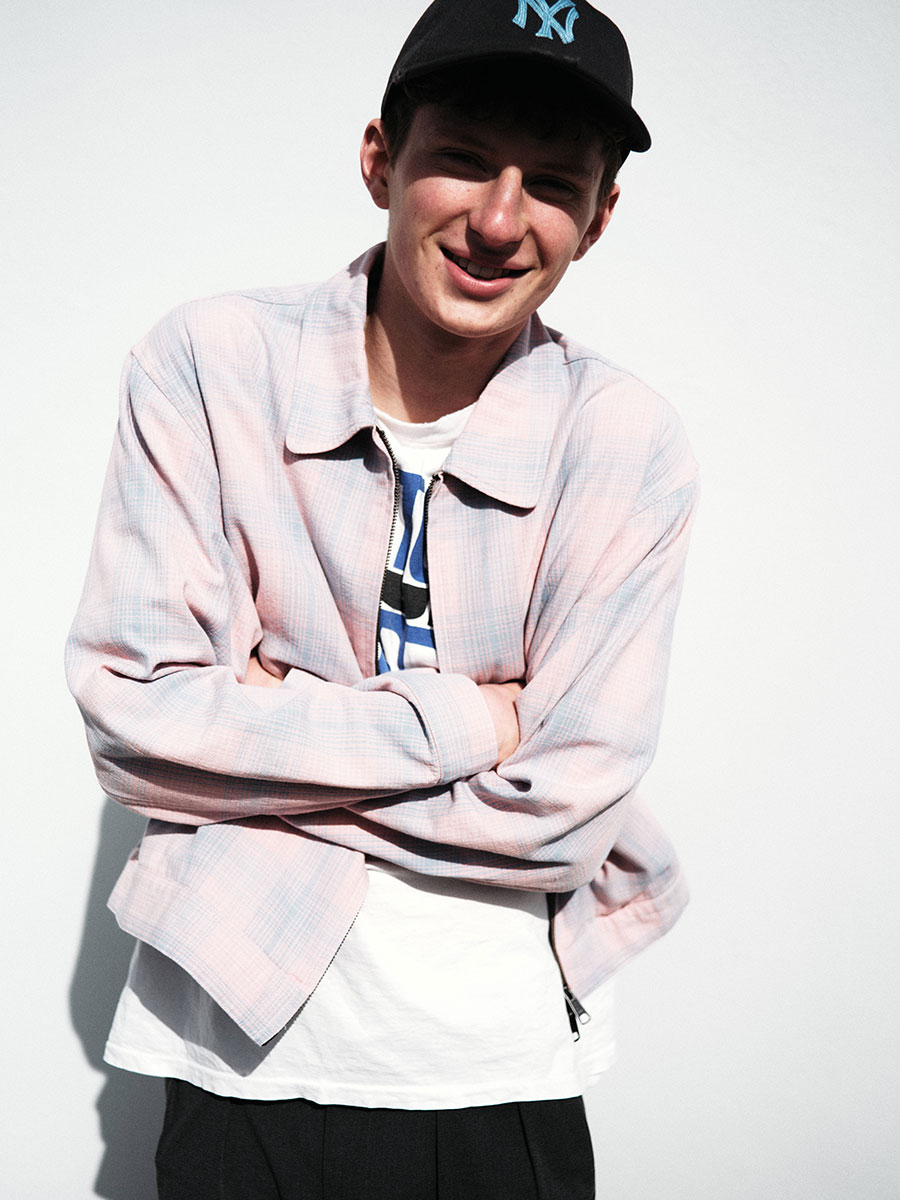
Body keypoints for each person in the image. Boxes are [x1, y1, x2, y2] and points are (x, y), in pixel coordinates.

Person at [66, 2, 698, 1196]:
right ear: (380, 161)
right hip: (231, 1052)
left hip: (494, 1066)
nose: (499, 220)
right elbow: (135, 725)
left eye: (551, 183)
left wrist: (259, 728)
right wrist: (472, 721)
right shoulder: (209, 365)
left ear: (600, 217)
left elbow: (563, 813)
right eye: (462, 157)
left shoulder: (625, 440)